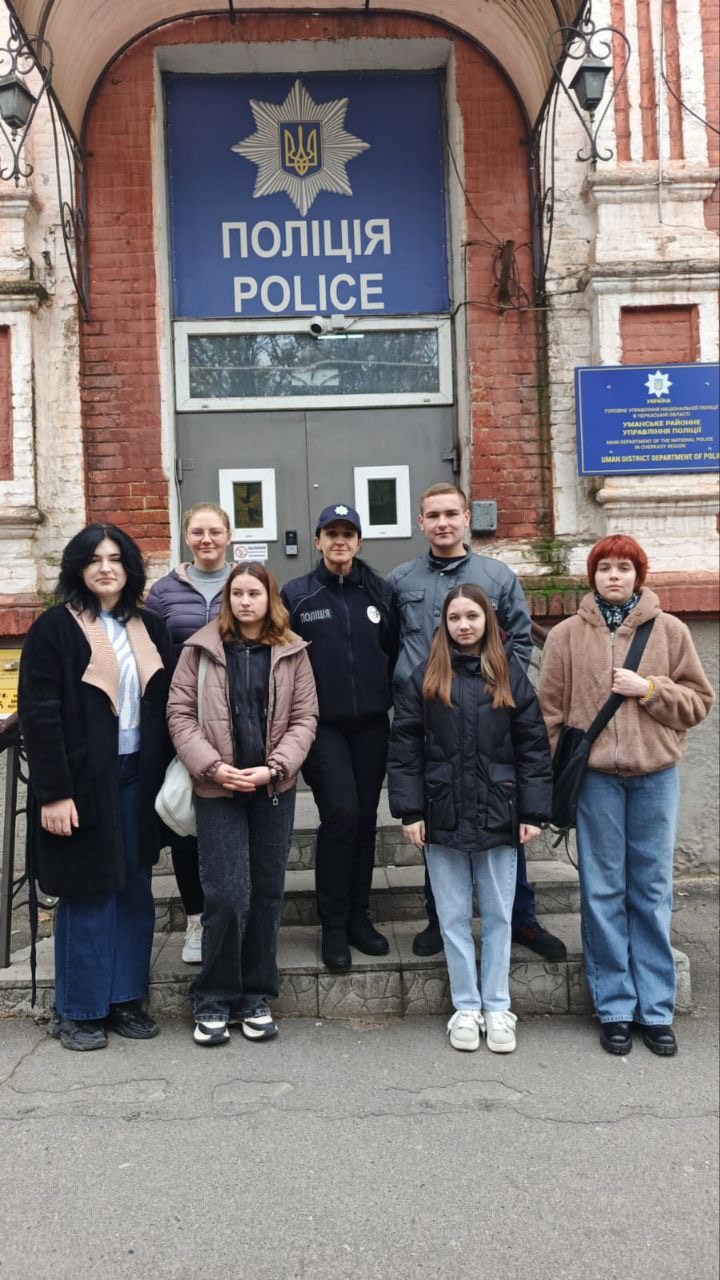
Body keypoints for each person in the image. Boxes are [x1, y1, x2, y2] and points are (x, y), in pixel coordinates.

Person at [538, 535, 714, 1057]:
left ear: (639, 575)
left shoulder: (672, 631)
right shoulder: (566, 636)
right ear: (592, 576)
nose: (613, 576)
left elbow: (699, 702)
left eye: (623, 568)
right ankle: (614, 1005)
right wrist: (558, 773)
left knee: (652, 889)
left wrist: (651, 689)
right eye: (604, 568)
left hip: (655, 777)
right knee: (602, 890)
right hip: (595, 781)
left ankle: (656, 1009)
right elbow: (549, 714)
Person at [388, 482, 566, 962]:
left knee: (505, 820)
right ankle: (438, 918)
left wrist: (500, 690)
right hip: (431, 721)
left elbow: (521, 640)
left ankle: (520, 918)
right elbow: (391, 644)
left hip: (492, 720)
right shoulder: (401, 580)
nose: (442, 522)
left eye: (451, 513)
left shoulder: (496, 576)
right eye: (433, 515)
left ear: (467, 517)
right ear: (420, 522)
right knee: (435, 819)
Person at [19, 523, 174, 1051]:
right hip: (81, 785)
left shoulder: (151, 627)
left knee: (133, 888)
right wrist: (53, 792)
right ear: (78, 568)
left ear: (130, 568)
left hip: (137, 777)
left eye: (115, 559)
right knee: (88, 890)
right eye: (94, 559)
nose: (105, 568)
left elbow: (166, 706)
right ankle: (80, 1010)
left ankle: (125, 999)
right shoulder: (55, 629)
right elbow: (39, 716)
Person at [388, 584, 553, 1052]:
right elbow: (404, 749)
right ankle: (465, 1005)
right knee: (453, 915)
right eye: (455, 617)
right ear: (444, 623)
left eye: (472, 616)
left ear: (487, 622)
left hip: (500, 811)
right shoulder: (426, 675)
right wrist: (411, 810)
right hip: (443, 812)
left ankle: (497, 1005)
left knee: (500, 914)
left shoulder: (509, 673)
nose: (464, 625)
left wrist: (533, 810)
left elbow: (533, 746)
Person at [167, 563, 318, 1046]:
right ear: (227, 599)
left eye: (254, 593)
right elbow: (179, 714)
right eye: (237, 593)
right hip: (219, 790)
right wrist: (212, 767)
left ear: (269, 598)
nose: (245, 601)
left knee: (267, 893)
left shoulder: (292, 650)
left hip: (272, 790)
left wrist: (276, 768)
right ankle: (213, 998)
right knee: (227, 895)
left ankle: (255, 996)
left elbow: (305, 718)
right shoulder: (199, 650)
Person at [282, 504, 398, 972]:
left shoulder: (381, 592)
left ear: (359, 541)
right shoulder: (297, 595)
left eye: (348, 534)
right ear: (317, 541)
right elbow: (283, 660)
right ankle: (332, 924)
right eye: (331, 533)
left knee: (365, 818)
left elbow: (392, 651)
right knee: (341, 814)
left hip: (371, 724)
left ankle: (357, 917)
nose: (339, 541)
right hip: (321, 725)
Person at [146, 502, 233, 964]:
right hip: (181, 720)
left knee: (233, 819)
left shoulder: (248, 583)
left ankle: (233, 914)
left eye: (214, 531)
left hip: (238, 720)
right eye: (197, 531)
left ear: (228, 535)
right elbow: (151, 656)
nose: (206, 539)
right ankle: (197, 918)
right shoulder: (163, 592)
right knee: (185, 819)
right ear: (186, 536)